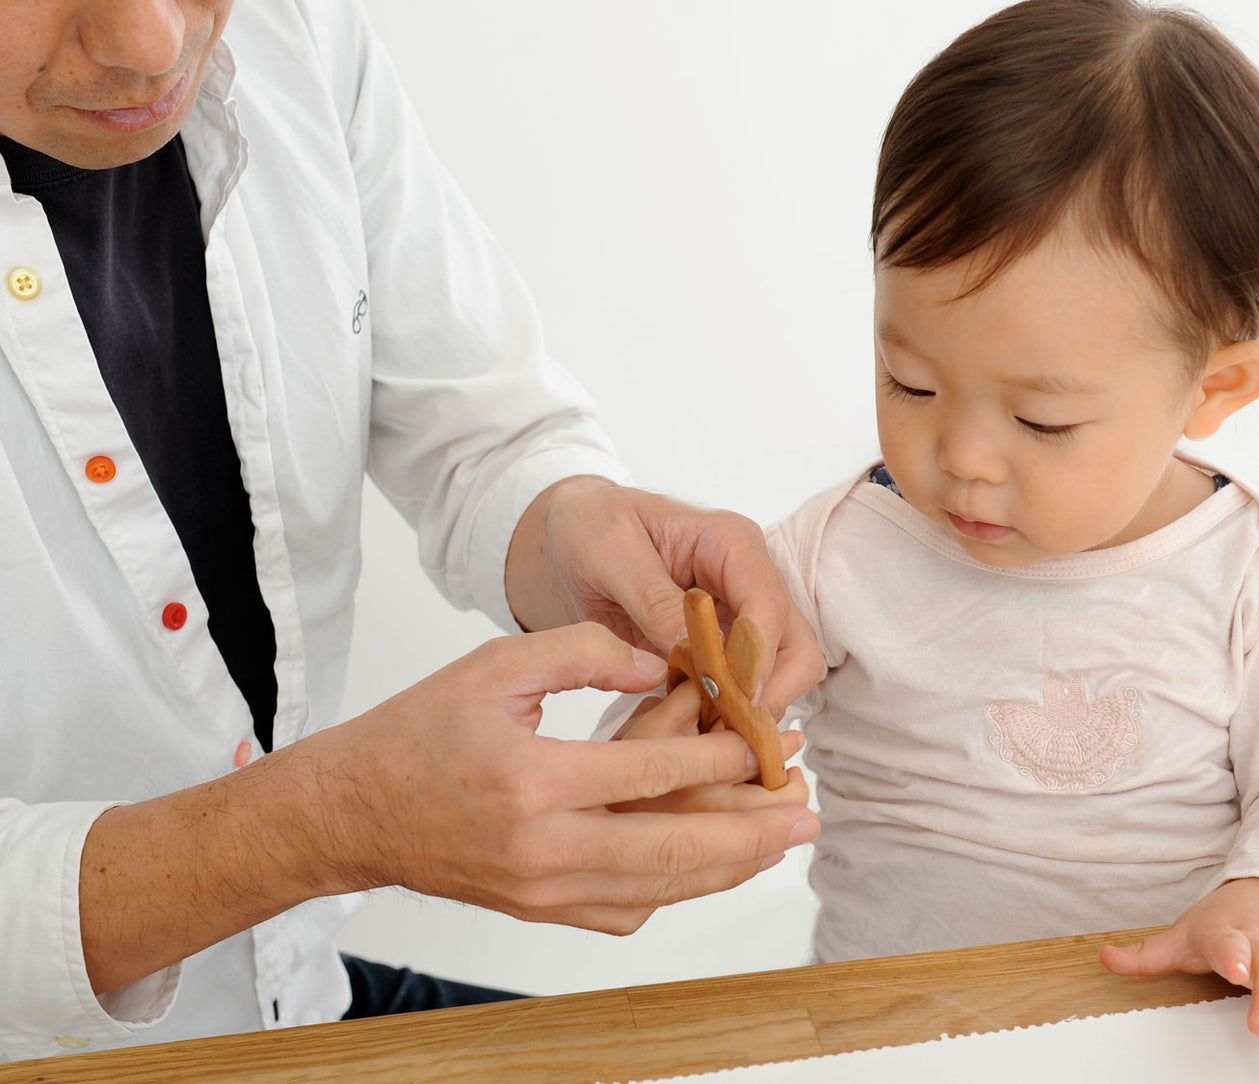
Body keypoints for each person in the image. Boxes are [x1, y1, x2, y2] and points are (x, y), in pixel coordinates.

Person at [0, 0, 823, 1062]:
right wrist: (322, 827)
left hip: (299, 1000)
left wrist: (568, 521)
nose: (151, 44)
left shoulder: (297, 31)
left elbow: (470, 422)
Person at [607, 0, 1259, 1056]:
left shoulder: (1249, 568)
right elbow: (693, 720)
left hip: (1162, 1036)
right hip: (889, 1039)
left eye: (1042, 419)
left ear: (1216, 387)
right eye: (910, 381)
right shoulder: (835, 550)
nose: (963, 457)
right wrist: (675, 767)